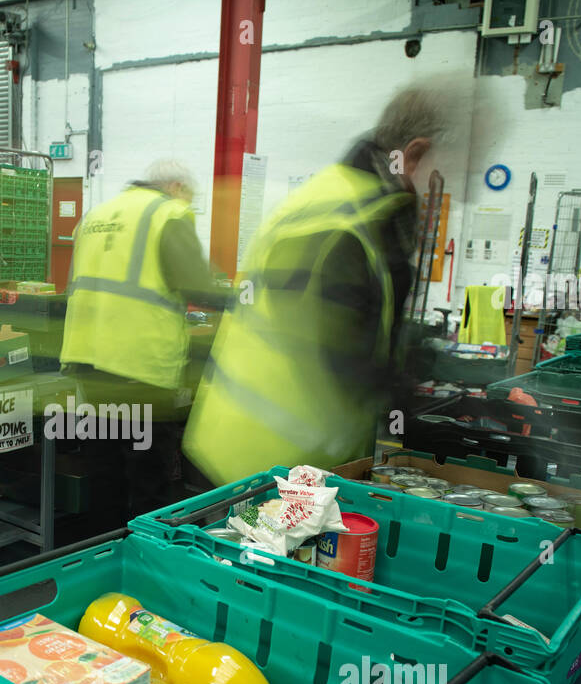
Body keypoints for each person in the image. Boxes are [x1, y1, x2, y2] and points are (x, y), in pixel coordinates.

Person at [182, 81, 456, 486]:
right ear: (413, 155)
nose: (451, 193)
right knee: (249, 547)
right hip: (265, 474)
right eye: (447, 176)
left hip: (252, 455)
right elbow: (340, 350)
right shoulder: (352, 219)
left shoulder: (331, 194)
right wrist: (412, 393)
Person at [60, 159, 226, 515]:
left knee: (104, 464)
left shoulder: (95, 216)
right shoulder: (166, 214)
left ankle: (101, 547)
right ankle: (142, 554)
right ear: (177, 188)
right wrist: (237, 298)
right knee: (147, 472)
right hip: (139, 364)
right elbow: (196, 285)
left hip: (87, 358)